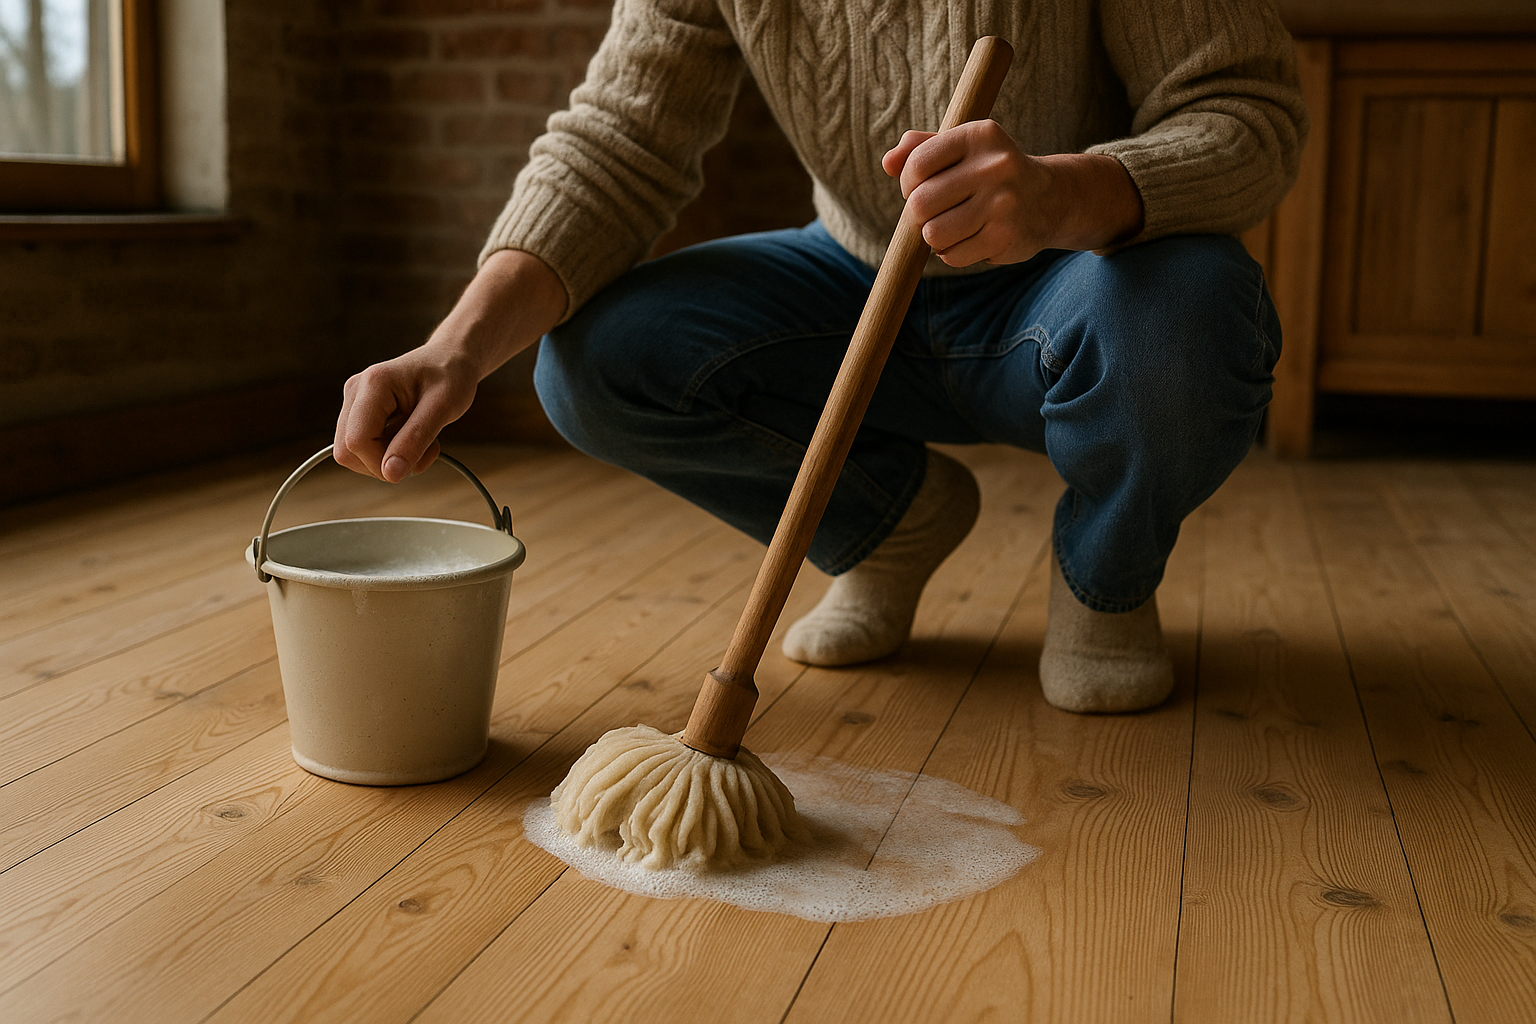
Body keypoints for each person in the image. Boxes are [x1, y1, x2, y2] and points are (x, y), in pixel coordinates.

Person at [333, 0, 1307, 714]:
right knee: (596, 360)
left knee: (1197, 312)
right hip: (852, 276)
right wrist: (456, 348)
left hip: (1080, 280)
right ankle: (886, 524)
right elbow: (618, 142)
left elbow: (1243, 113)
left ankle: (1106, 576)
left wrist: (1061, 196)